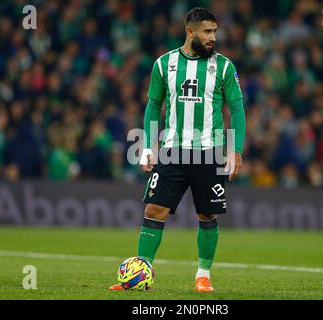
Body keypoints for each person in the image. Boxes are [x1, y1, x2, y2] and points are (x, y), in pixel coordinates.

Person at [109, 7, 245, 292]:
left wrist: (236, 149)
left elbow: (236, 108)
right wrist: (148, 145)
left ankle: (203, 275)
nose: (213, 38)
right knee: (154, 208)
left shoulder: (224, 66)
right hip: (172, 151)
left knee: (207, 215)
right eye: (208, 32)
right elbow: (152, 107)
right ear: (190, 31)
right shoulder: (163, 64)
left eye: (215, 32)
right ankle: (140, 273)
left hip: (210, 151)